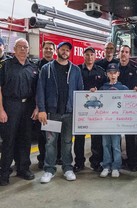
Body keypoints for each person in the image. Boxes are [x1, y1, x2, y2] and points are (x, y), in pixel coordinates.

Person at [37, 41, 83, 183]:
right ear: (57, 51)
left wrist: (79, 112)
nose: (65, 52)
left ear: (70, 53)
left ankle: (68, 168)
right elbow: (40, 90)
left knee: (67, 142)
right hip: (52, 114)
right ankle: (49, 170)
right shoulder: (46, 69)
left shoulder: (75, 70)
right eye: (62, 49)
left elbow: (80, 91)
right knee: (50, 143)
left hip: (69, 113)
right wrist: (42, 110)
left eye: (67, 50)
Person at [0, 38, 38, 186]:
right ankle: (4, 173)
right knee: (9, 140)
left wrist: (36, 108)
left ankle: (23, 169)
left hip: (27, 106)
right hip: (10, 106)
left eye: (25, 47)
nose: (23, 49)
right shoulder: (5, 66)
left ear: (28, 50)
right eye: (20, 47)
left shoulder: (33, 68)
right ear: (14, 49)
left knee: (25, 139)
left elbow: (37, 91)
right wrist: (1, 110)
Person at [73, 46, 106, 172]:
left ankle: (96, 162)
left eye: (91, 55)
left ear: (95, 56)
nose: (89, 57)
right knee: (79, 137)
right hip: (81, 109)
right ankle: (79, 162)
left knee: (96, 137)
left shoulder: (100, 71)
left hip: (96, 109)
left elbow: (105, 88)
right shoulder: (77, 70)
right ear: (83, 56)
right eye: (87, 54)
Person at [36, 41, 63, 169]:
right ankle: (42, 159)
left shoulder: (58, 66)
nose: (48, 51)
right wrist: (38, 107)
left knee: (56, 134)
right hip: (42, 107)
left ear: (54, 51)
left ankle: (56, 157)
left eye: (50, 49)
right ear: (42, 50)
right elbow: (38, 89)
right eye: (46, 48)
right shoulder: (36, 66)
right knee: (43, 136)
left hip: (55, 108)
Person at [99, 63, 129, 178]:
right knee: (105, 144)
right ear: (107, 74)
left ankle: (116, 166)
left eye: (115, 73)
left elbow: (130, 102)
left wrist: (136, 92)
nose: (112, 75)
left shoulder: (124, 88)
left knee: (116, 145)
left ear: (118, 74)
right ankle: (106, 166)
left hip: (117, 122)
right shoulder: (103, 88)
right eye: (110, 73)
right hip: (105, 122)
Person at [118, 45, 137, 172]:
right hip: (115, 107)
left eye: (126, 52)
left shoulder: (135, 68)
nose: (124, 54)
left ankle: (132, 162)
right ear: (119, 53)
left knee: (130, 136)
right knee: (115, 136)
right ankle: (117, 161)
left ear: (129, 54)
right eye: (122, 51)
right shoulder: (113, 68)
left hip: (129, 107)